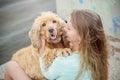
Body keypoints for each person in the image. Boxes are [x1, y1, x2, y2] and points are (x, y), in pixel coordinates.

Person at [5, 9, 108, 80]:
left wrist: (41, 49)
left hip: (48, 72)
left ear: (81, 37)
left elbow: (46, 73)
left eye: (68, 28)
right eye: (65, 23)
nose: (63, 28)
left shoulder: (63, 62)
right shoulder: (96, 53)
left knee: (10, 65)